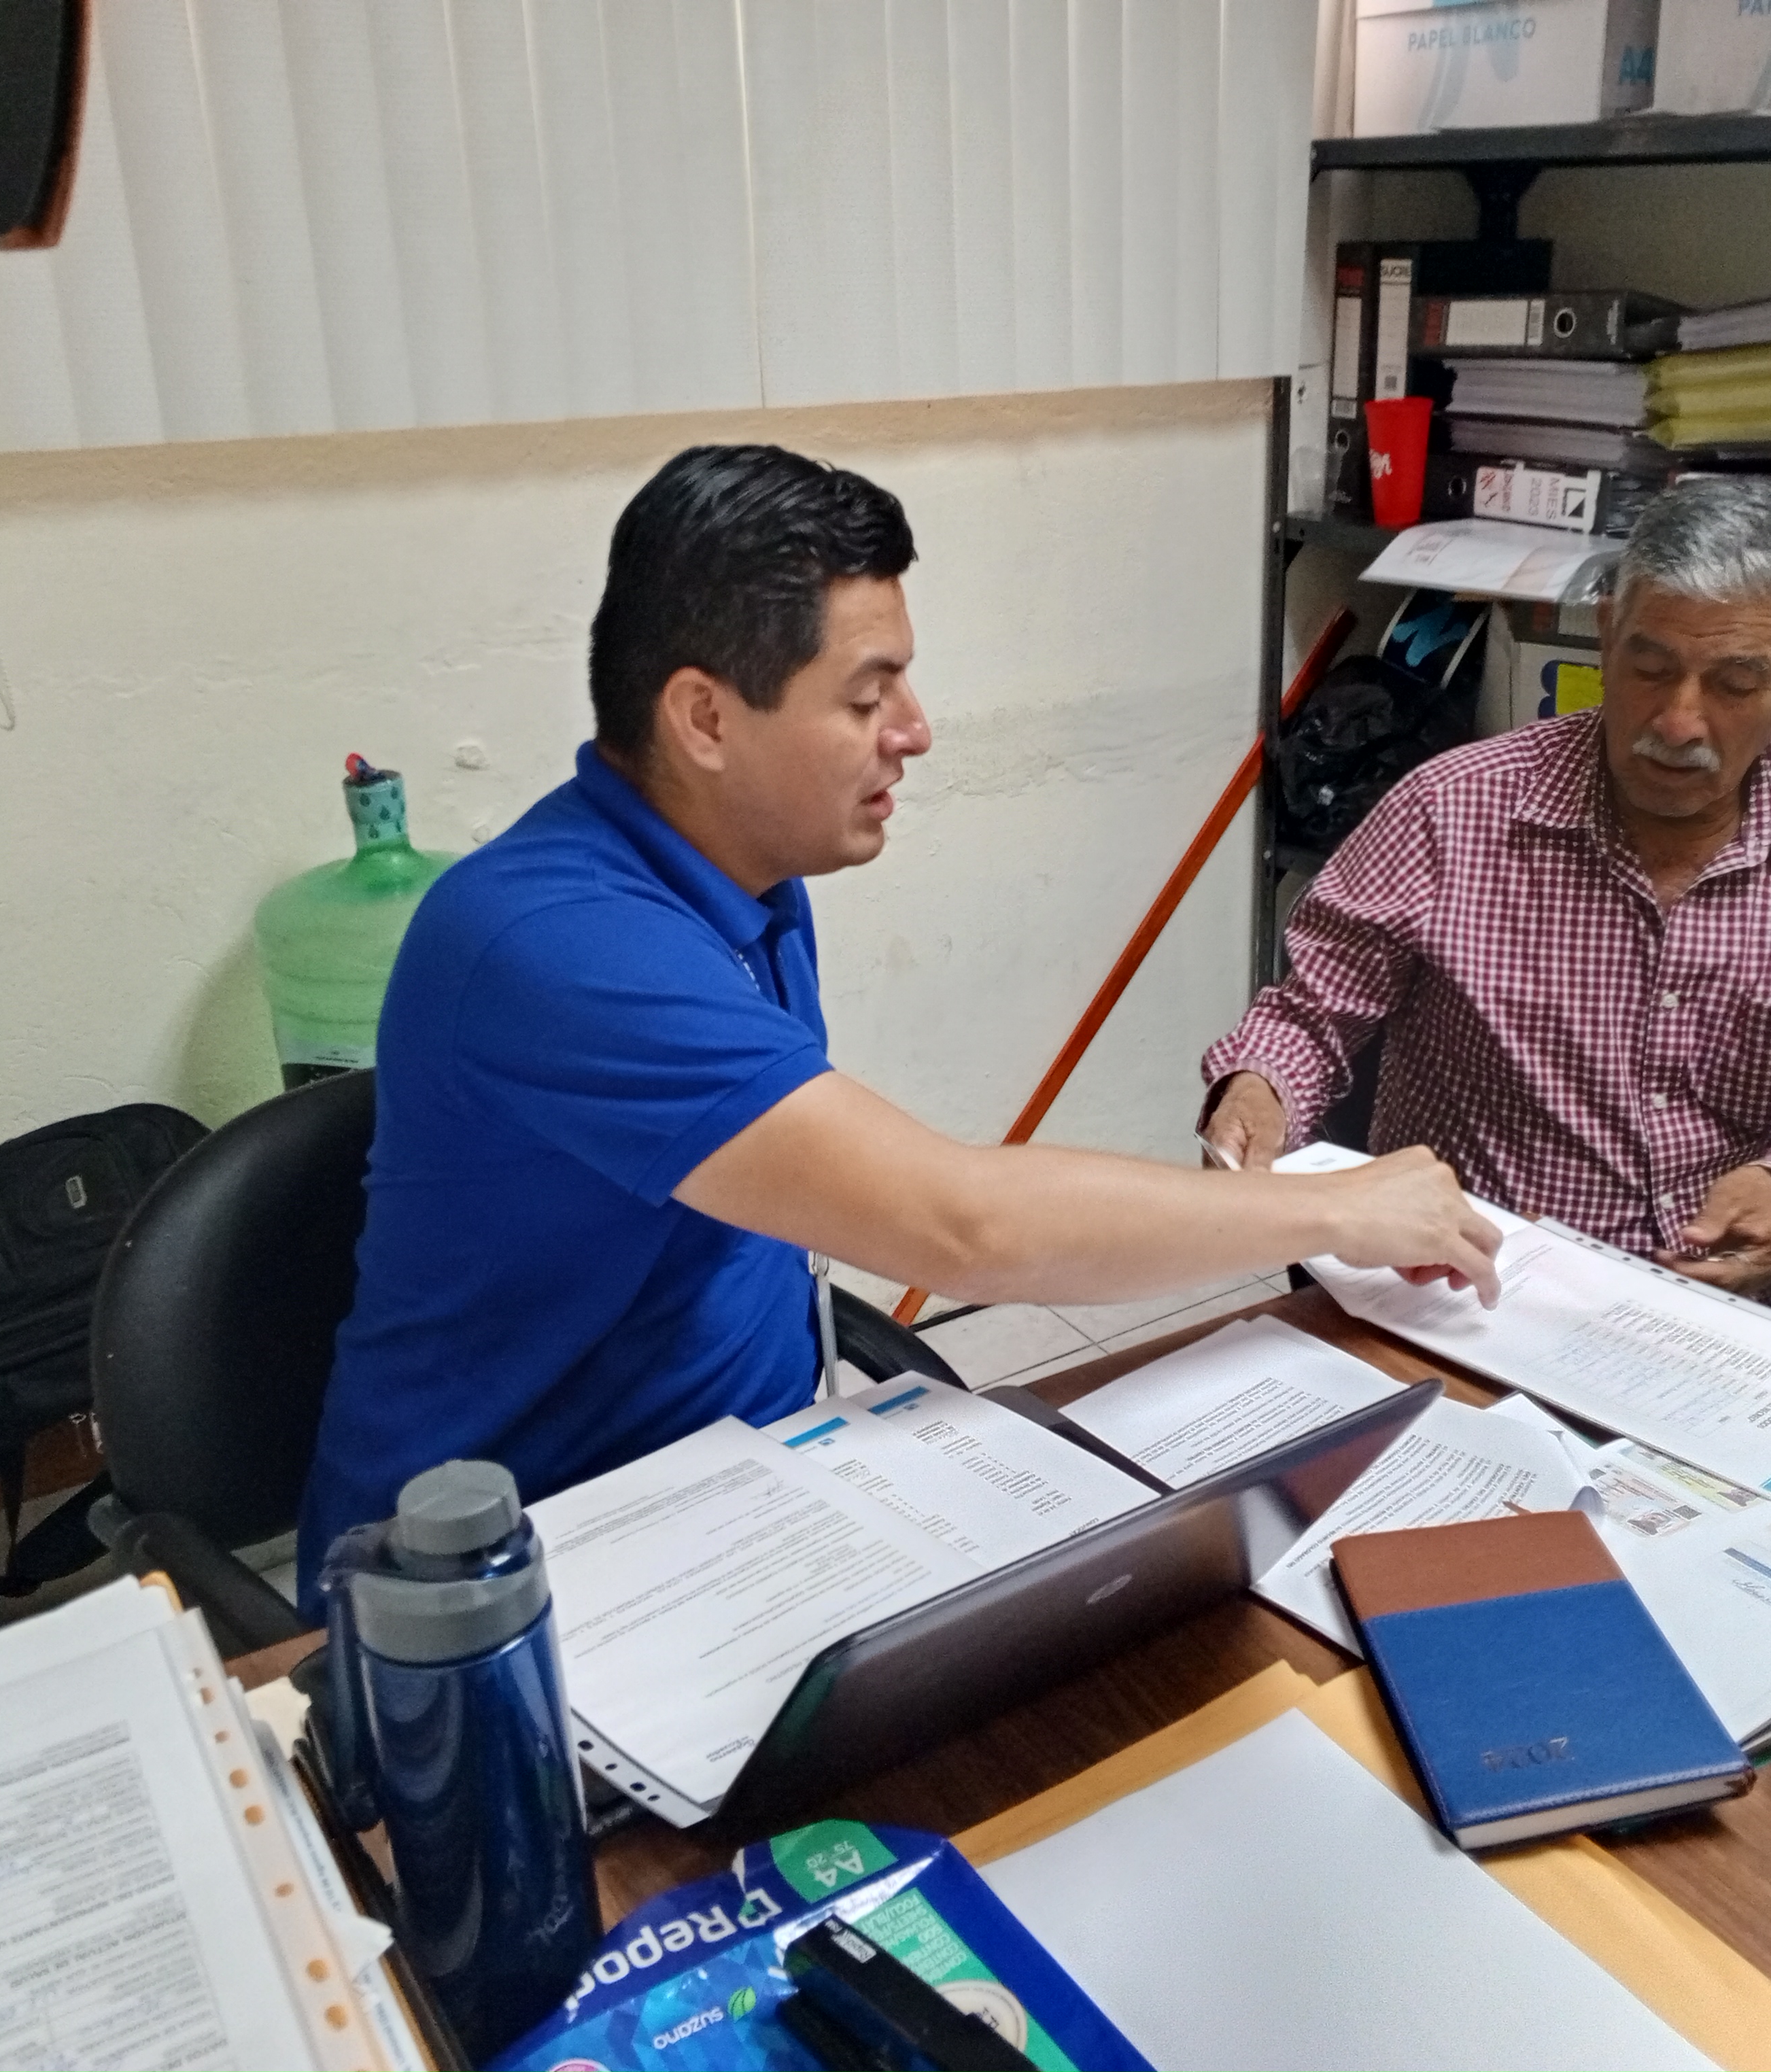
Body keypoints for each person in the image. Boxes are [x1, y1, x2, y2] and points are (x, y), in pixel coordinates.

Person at [295, 445, 1500, 1603]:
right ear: (704, 719)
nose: (914, 729)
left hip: (747, 1483)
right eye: (867, 696)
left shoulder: (748, 876)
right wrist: (1335, 1206)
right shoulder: (554, 942)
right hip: (513, 1574)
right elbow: (959, 1225)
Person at [1201, 476, 1771, 1319]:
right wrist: (1256, 1090)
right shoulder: (1452, 810)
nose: (1677, 722)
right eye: (1649, 668)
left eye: (1733, 685)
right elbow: (1309, 1017)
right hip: (1475, 1290)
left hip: (1722, 1309)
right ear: (1605, 634)